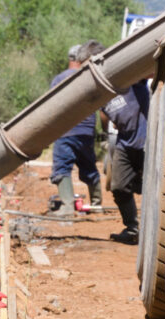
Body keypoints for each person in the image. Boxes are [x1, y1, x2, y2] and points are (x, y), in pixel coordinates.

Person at [78, 40, 150, 244]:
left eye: (88, 67)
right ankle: (133, 229)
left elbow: (147, 67)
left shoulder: (129, 78)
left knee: (154, 188)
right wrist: (106, 129)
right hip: (125, 142)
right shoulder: (101, 90)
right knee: (118, 186)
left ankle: (158, 231)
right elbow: (102, 111)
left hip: (148, 142)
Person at [48, 44, 103, 216]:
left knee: (62, 167)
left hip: (66, 130)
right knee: (89, 166)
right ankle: (96, 205)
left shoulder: (59, 79)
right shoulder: (91, 76)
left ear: (70, 58)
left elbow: (51, 106)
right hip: (87, 130)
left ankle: (67, 206)